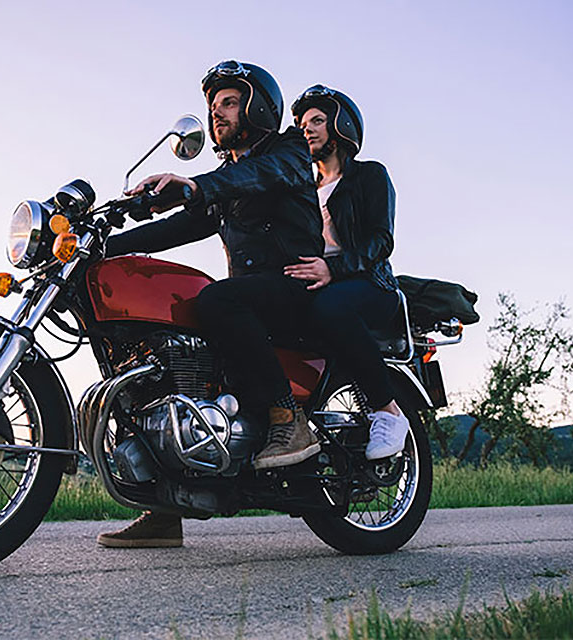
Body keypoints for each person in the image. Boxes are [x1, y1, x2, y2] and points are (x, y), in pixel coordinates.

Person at [96, 60, 325, 548]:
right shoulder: (229, 177)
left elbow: (255, 178)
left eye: (227, 102)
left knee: (215, 299)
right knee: (142, 356)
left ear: (257, 106)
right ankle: (163, 507)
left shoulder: (287, 153)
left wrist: (194, 186)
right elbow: (181, 226)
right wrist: (106, 246)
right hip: (253, 299)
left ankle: (289, 419)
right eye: (212, 106)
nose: (217, 113)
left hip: (292, 288)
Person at [285, 85, 410, 461]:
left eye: (318, 121)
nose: (307, 129)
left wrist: (333, 267)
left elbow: (380, 241)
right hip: (319, 285)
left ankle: (388, 411)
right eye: (303, 124)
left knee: (331, 308)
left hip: (369, 284)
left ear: (341, 126)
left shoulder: (369, 176)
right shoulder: (303, 190)